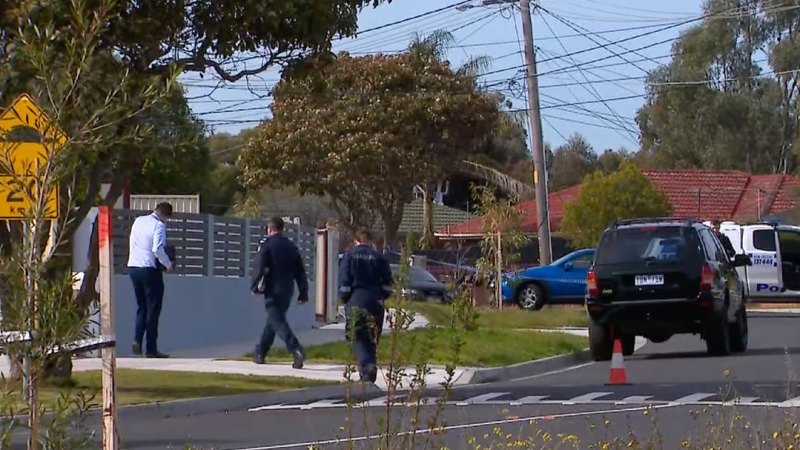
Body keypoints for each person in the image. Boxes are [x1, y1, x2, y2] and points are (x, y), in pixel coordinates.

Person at [250, 217, 309, 368]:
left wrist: (255, 286)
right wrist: (303, 292)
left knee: (277, 321)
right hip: (288, 289)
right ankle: (260, 352)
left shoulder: (267, 244)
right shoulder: (291, 246)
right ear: (282, 229)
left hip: (273, 288)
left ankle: (296, 349)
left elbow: (259, 265)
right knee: (274, 320)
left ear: (269, 229)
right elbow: (300, 272)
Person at [338, 228, 393, 383]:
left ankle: (367, 366)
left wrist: (344, 298)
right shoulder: (380, 258)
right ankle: (369, 369)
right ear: (371, 242)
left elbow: (344, 283)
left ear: (356, 241)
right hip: (376, 302)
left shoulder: (350, 256)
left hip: (357, 300)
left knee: (357, 337)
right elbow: (388, 285)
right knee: (372, 336)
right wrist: (382, 296)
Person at [127, 202, 174, 358]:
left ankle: (137, 340)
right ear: (165, 215)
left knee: (141, 307)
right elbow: (157, 249)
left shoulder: (138, 220)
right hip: (149, 269)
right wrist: (168, 264)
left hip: (133, 267)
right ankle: (151, 349)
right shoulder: (159, 225)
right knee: (153, 309)